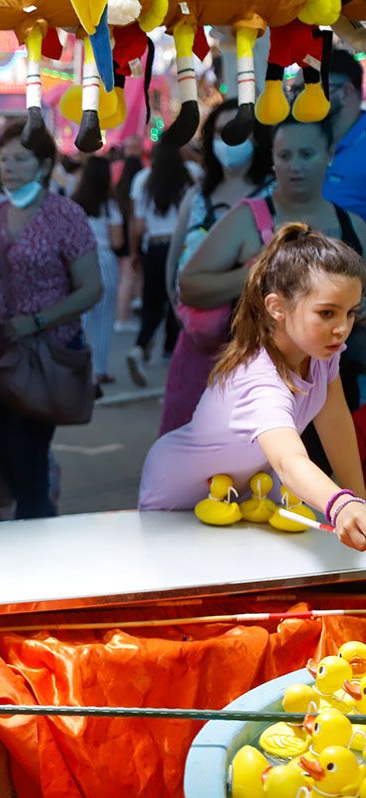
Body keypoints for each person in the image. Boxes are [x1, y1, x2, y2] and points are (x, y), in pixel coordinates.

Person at [139, 226, 366, 553]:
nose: (342, 328)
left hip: (245, 494)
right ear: (277, 307)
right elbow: (288, 460)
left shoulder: (323, 353)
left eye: (350, 313)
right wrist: (342, 505)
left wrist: (359, 504)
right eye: (327, 312)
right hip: (177, 502)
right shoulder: (259, 379)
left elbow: (335, 422)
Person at [180, 118, 366, 403]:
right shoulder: (247, 218)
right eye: (285, 155)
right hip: (263, 392)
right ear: (273, 159)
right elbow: (189, 286)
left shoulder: (352, 224)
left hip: (341, 390)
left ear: (329, 154)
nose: (295, 166)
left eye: (306, 154)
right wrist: (257, 274)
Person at [0, 121, 101, 519]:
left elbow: (90, 287)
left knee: (25, 456)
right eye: (4, 158)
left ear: (43, 165)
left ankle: (39, 533)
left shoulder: (65, 215)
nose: (9, 167)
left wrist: (39, 320)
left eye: (20, 159)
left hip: (42, 358)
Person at [159, 100, 274, 434]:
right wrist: (187, 319)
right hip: (198, 340)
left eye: (239, 131)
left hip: (259, 347)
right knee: (186, 435)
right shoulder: (196, 196)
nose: (230, 140)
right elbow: (174, 270)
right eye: (221, 132)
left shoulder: (273, 193)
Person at [126, 144, 197, 385]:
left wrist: (135, 252)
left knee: (151, 302)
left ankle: (139, 347)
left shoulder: (143, 179)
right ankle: (172, 355)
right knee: (178, 301)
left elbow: (138, 224)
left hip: (154, 247)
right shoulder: (192, 175)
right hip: (184, 248)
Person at [72, 156, 124, 387]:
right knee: (103, 320)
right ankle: (100, 370)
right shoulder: (110, 205)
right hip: (104, 260)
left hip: (78, 262)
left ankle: (75, 365)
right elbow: (117, 240)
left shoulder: (74, 203)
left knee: (79, 317)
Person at [322, 49, 366, 220]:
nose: (301, 100)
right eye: (295, 90)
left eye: (312, 89)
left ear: (346, 92)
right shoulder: (311, 142)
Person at [113, 154, 144, 333]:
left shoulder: (118, 189)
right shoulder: (139, 187)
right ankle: (122, 318)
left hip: (122, 235)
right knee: (128, 277)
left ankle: (126, 312)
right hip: (132, 236)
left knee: (127, 276)